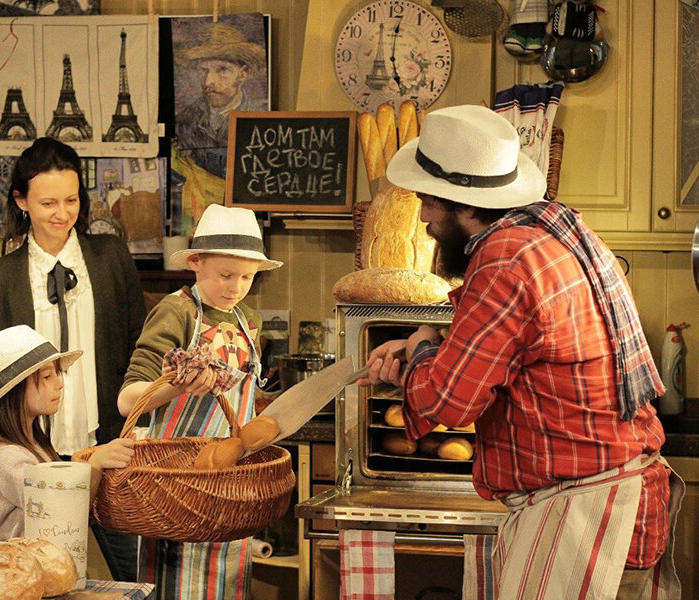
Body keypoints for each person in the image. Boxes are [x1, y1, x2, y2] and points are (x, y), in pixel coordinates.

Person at [360, 104, 683, 600]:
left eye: (428, 201)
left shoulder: (504, 260)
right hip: (611, 501)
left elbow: (448, 403)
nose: (423, 218)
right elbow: (518, 346)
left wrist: (423, 347)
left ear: (464, 204)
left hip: (585, 518)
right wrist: (426, 346)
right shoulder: (550, 237)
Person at [0, 137, 147, 581]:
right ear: (21, 201)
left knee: (137, 574)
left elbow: (139, 344)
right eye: (48, 202)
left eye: (71, 200)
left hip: (108, 446)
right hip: (36, 456)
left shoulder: (110, 258)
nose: (62, 213)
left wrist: (140, 424)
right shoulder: (2, 276)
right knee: (42, 578)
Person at [118, 203, 282, 600]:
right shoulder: (176, 312)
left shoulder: (249, 321)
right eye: (225, 275)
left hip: (230, 484)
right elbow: (128, 399)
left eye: (247, 277)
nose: (235, 287)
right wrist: (180, 384)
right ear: (195, 262)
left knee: (228, 581)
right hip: (177, 483)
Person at [0, 325, 134, 542]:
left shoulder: (33, 444)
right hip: (24, 563)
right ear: (13, 389)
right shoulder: (8, 458)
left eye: (56, 374)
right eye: (47, 376)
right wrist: (94, 465)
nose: (59, 384)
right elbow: (61, 513)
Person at [174, 23, 267, 157]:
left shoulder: (260, 118)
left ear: (242, 73)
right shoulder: (183, 121)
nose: (208, 81)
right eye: (203, 70)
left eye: (222, 69)